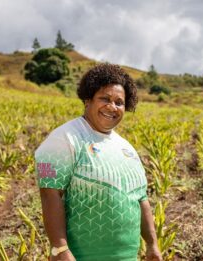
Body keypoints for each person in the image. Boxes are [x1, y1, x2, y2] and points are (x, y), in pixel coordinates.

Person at [35, 63, 163, 261]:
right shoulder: (65, 138)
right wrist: (59, 249)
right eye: (105, 98)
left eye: (119, 102)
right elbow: (49, 192)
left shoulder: (127, 149)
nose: (112, 107)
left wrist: (152, 244)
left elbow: (141, 199)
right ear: (88, 99)